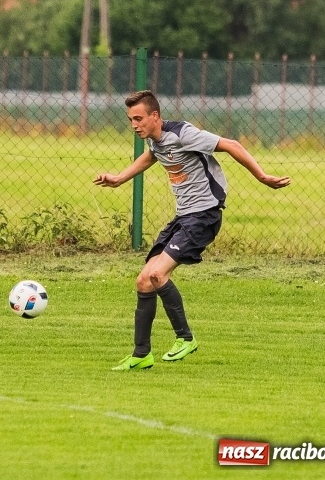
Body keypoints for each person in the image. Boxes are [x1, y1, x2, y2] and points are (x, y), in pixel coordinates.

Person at [93, 90, 290, 371]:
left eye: (139, 119)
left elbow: (231, 144)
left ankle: (185, 338)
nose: (134, 125)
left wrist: (262, 176)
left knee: (157, 275)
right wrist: (119, 178)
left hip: (204, 215)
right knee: (144, 280)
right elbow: (152, 156)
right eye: (130, 120)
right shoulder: (155, 140)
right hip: (184, 217)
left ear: (155, 116)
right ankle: (141, 354)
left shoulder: (183, 133)